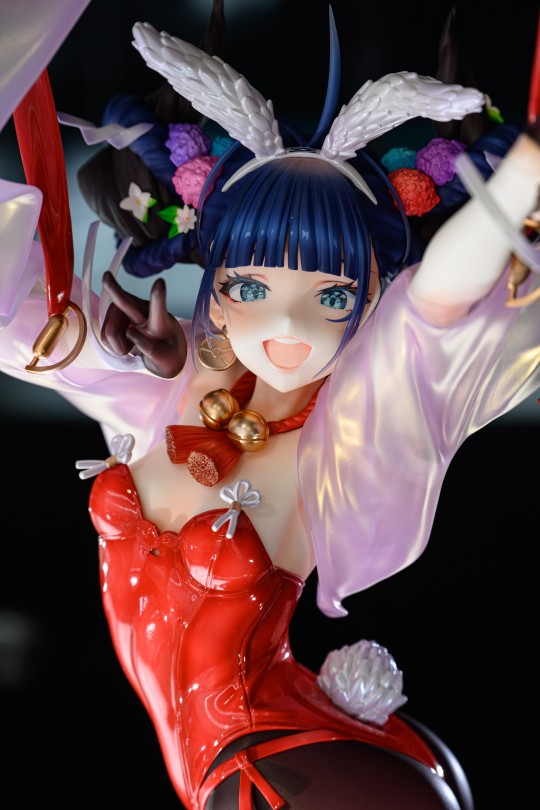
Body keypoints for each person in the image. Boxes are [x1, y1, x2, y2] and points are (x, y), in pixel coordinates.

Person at [1, 3, 539, 808]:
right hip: (222, 757)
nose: (287, 326)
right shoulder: (159, 387)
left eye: (331, 296)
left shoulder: (343, 438)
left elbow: (438, 300)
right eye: (252, 287)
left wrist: (526, 169)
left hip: (261, 746)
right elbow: (17, 314)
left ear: (370, 299)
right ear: (216, 292)